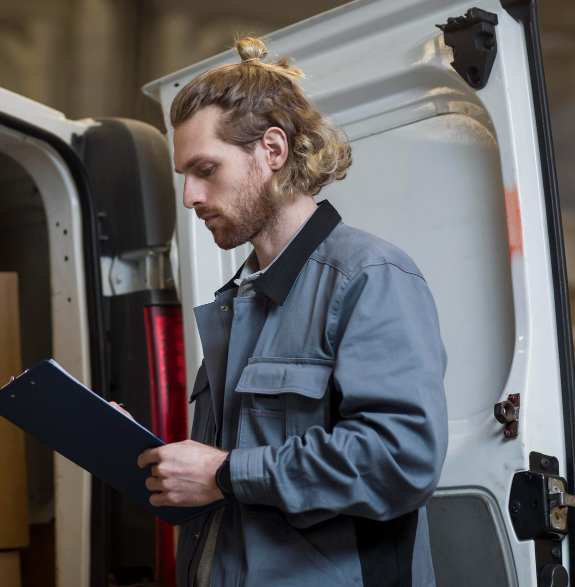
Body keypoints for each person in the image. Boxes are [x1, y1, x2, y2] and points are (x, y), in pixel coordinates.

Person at [133, 36, 449, 587]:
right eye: (185, 174)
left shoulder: (369, 277)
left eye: (206, 168)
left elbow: (401, 459)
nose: (190, 196)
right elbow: (223, 475)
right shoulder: (241, 299)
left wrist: (229, 473)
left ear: (272, 151)